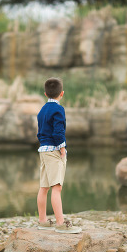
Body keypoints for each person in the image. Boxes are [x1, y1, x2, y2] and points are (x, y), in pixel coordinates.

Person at [36, 76, 81, 233]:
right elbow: (58, 131)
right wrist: (62, 148)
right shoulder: (58, 109)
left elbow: (41, 131)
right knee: (57, 187)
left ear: (45, 93)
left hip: (43, 150)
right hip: (54, 151)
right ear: (61, 93)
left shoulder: (42, 110)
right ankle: (61, 224)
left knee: (44, 187)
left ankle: (42, 220)